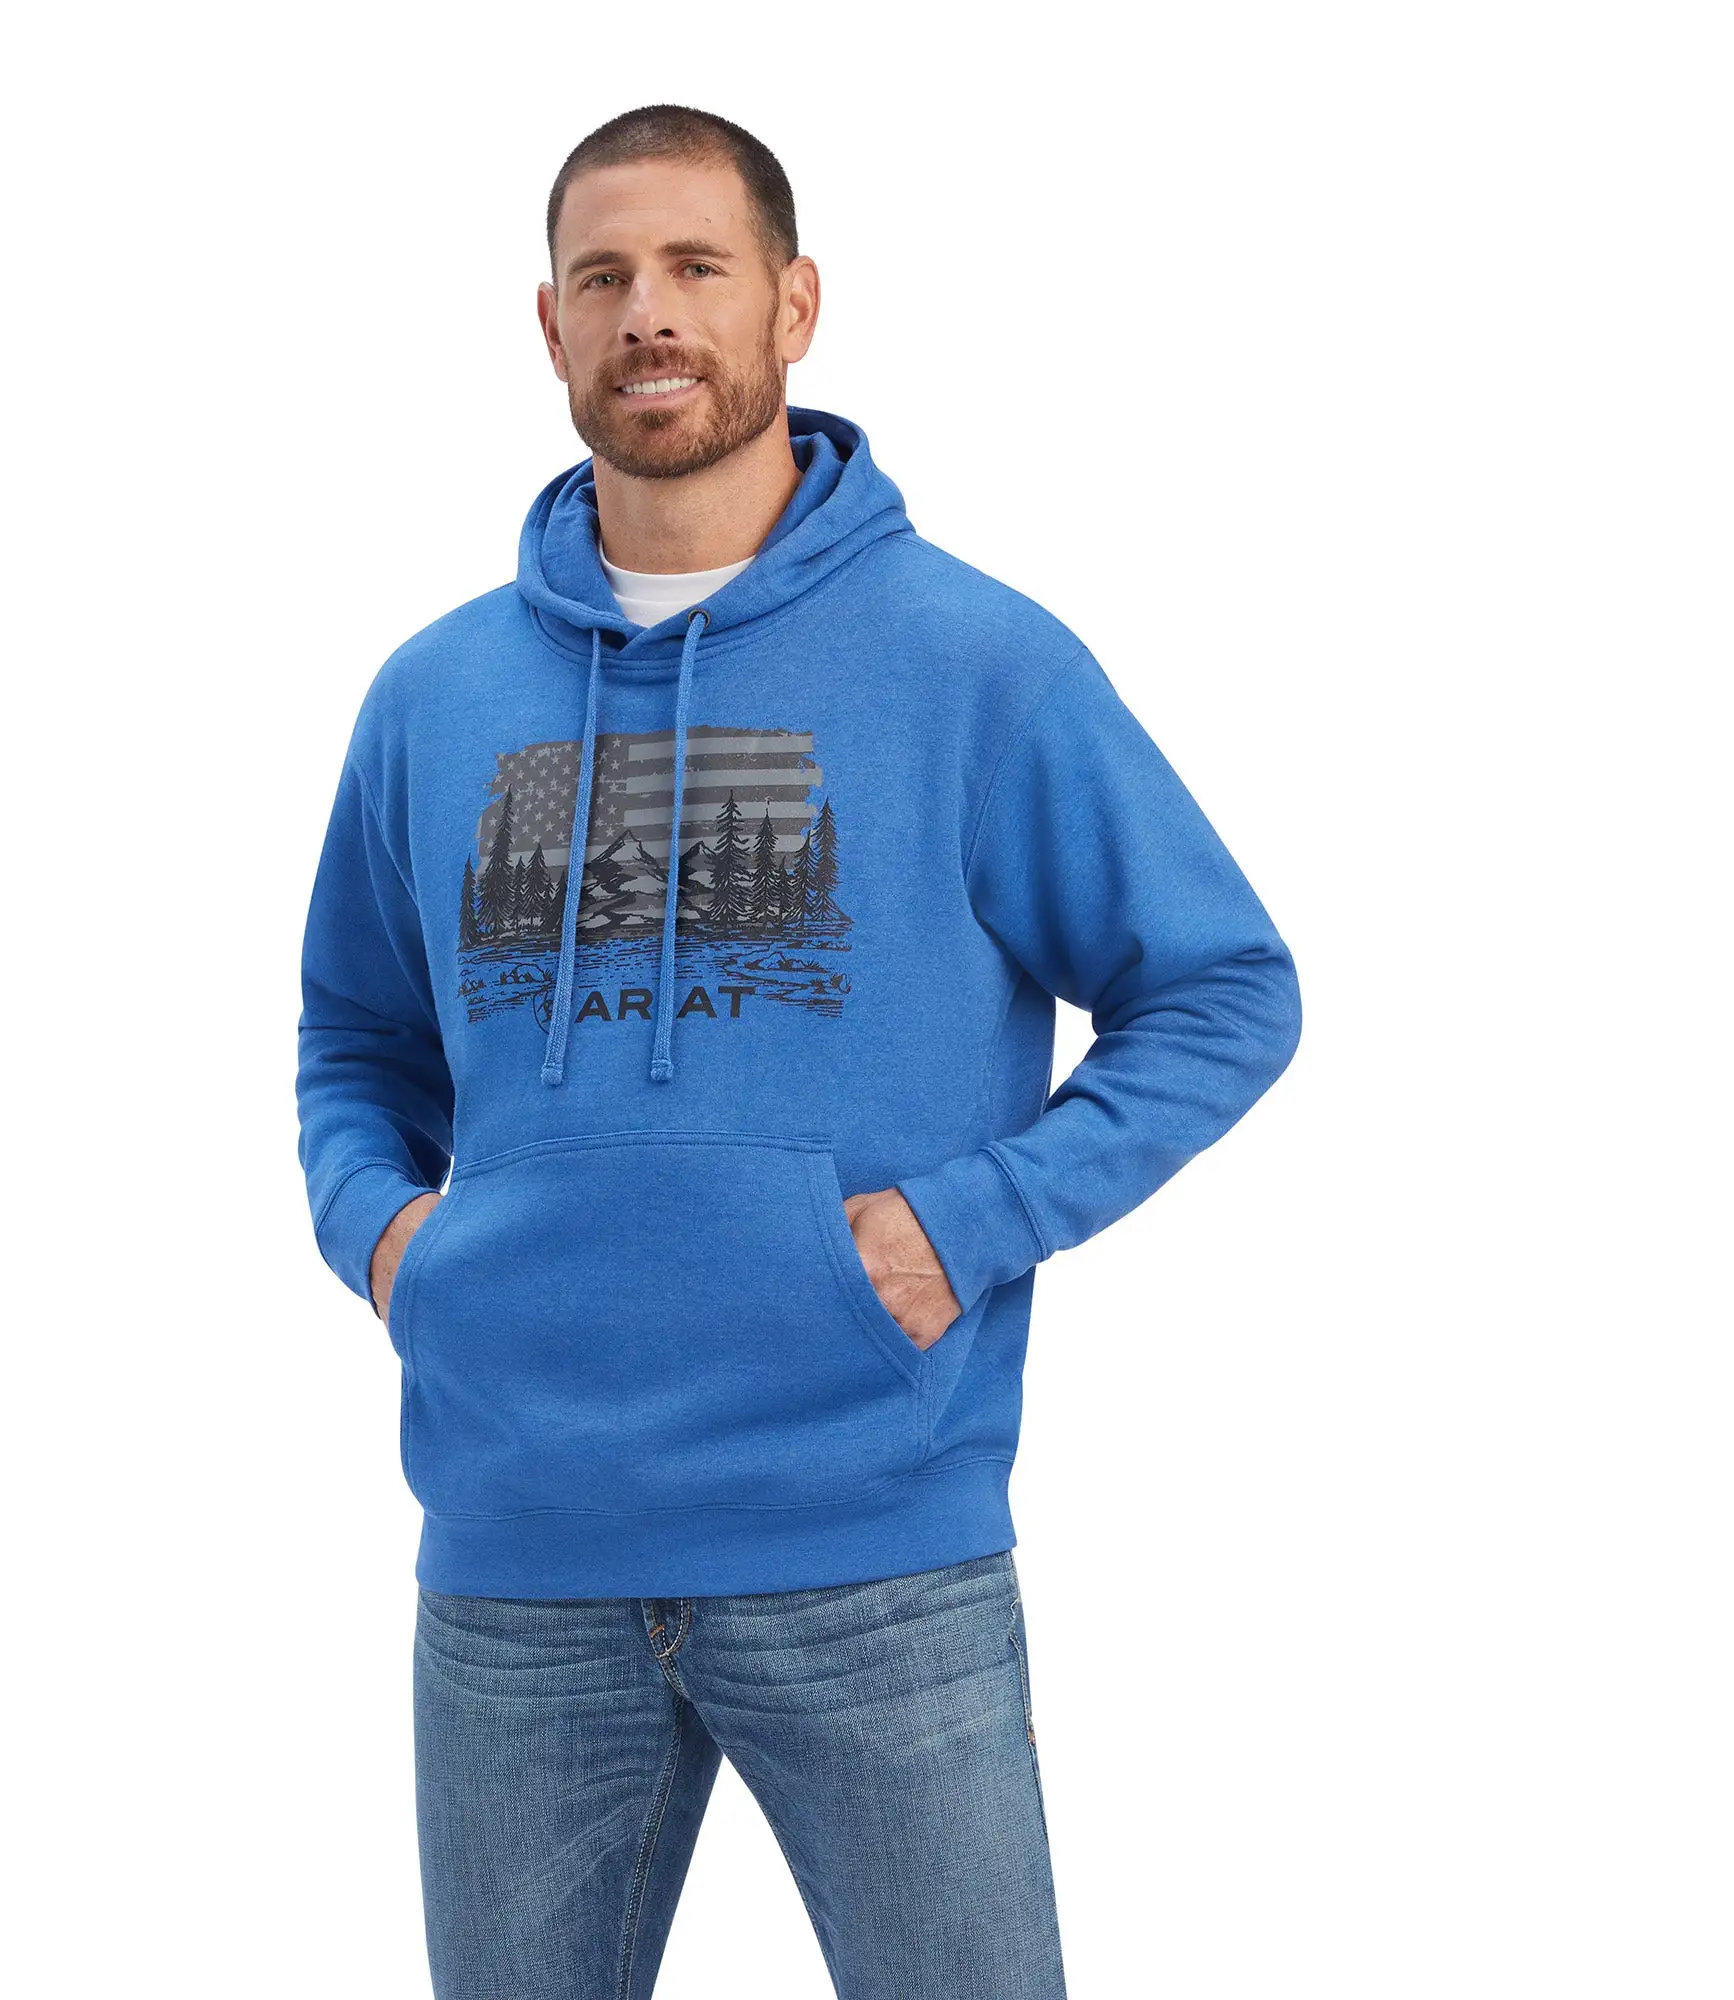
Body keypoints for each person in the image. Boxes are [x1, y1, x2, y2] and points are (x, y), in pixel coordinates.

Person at [294, 101, 1302, 2000]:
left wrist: (961, 1227)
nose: (649, 314)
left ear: (795, 304)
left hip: (874, 1546)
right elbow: (354, 1033)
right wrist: (392, 1244)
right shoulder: (433, 695)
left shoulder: (977, 663)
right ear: (549, 324)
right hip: (516, 1553)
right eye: (604, 277)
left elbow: (1226, 989)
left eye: (696, 267)